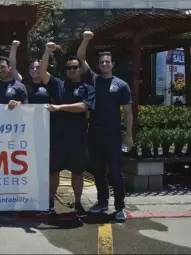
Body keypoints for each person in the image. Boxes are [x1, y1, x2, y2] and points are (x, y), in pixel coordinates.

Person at [77, 31, 133, 221]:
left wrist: (129, 135)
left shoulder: (122, 85)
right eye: (102, 62)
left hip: (113, 137)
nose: (104, 65)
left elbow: (128, 112)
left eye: (107, 62)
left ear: (112, 64)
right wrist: (86, 40)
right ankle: (102, 202)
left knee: (116, 174)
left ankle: (120, 207)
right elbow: (80, 57)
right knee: (98, 173)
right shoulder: (93, 79)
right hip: (94, 135)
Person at [40, 42, 96, 218]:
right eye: (69, 68)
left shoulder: (88, 88)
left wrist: (59, 107)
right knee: (54, 172)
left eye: (75, 67)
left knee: (77, 173)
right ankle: (50, 203)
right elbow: (42, 73)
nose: (72, 70)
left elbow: (83, 107)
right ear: (65, 70)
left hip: (77, 138)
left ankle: (78, 204)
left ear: (80, 69)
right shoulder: (58, 84)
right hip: (57, 137)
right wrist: (47, 52)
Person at [8, 40, 50, 104]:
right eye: (31, 67)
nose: (34, 69)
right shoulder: (24, 84)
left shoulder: (49, 83)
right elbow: (12, 68)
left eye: (38, 67)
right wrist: (13, 47)